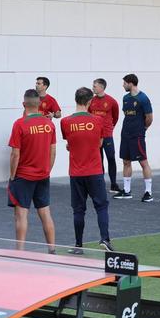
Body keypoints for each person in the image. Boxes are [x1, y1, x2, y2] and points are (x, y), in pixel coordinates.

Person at [62, 88, 113, 252]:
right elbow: (99, 143)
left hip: (76, 172)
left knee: (78, 209)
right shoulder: (98, 121)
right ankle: (105, 239)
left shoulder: (65, 121)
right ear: (90, 101)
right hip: (95, 170)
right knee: (101, 206)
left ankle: (78, 244)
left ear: (76, 99)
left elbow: (69, 143)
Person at [8, 89, 56, 246]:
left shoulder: (19, 124)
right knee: (45, 213)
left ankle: (20, 250)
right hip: (43, 175)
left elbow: (15, 154)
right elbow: (52, 150)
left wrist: (12, 175)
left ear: (24, 104)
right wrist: (47, 170)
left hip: (23, 176)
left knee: (21, 214)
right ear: (40, 104)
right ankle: (52, 250)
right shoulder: (49, 124)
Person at [114, 74, 153, 202]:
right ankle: (126, 190)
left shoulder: (143, 98)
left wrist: (143, 129)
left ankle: (148, 192)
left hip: (137, 135)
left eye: (125, 83)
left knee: (143, 162)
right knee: (126, 161)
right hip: (126, 134)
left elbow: (149, 118)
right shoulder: (125, 98)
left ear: (131, 83)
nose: (123, 85)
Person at [88, 78, 120, 193]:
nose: (93, 88)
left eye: (95, 86)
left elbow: (115, 117)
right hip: (95, 135)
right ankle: (100, 183)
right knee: (98, 159)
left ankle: (113, 184)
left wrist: (110, 128)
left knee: (111, 157)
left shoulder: (111, 101)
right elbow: (88, 116)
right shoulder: (91, 101)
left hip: (107, 135)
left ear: (102, 87)